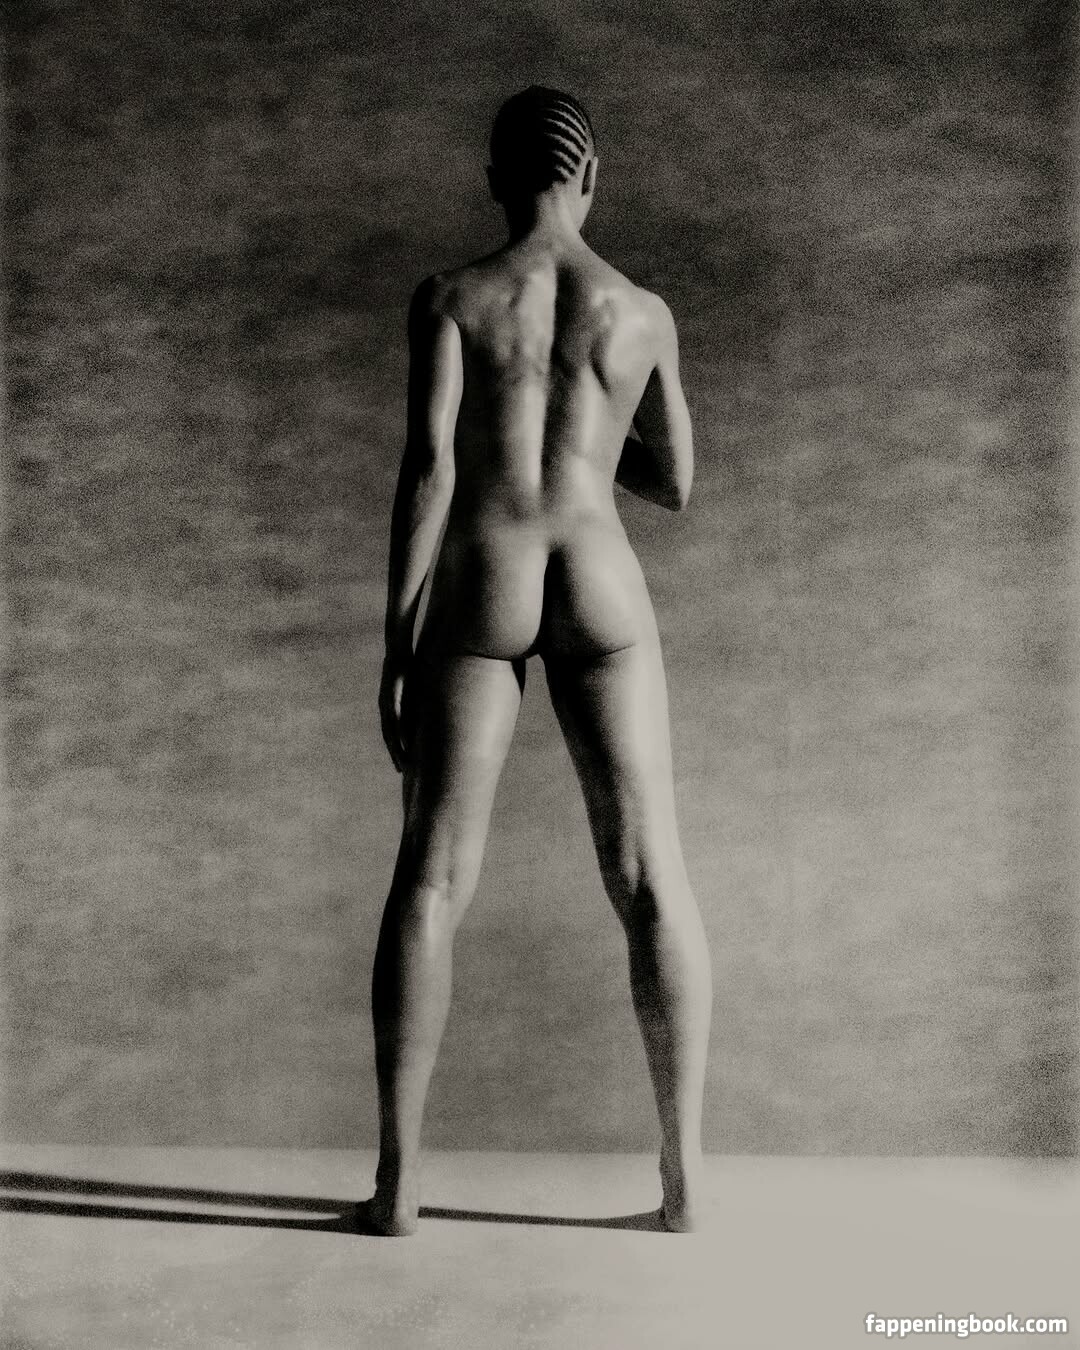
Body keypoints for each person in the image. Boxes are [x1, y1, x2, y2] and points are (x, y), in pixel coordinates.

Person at [369, 86, 712, 1235]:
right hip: (600, 573)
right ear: (592, 177)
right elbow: (677, 481)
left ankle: (398, 1187)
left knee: (430, 877)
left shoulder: (450, 297)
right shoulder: (642, 311)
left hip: (488, 572)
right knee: (651, 874)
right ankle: (683, 1185)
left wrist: (398, 635)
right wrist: (589, 447)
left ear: (494, 181)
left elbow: (430, 466)